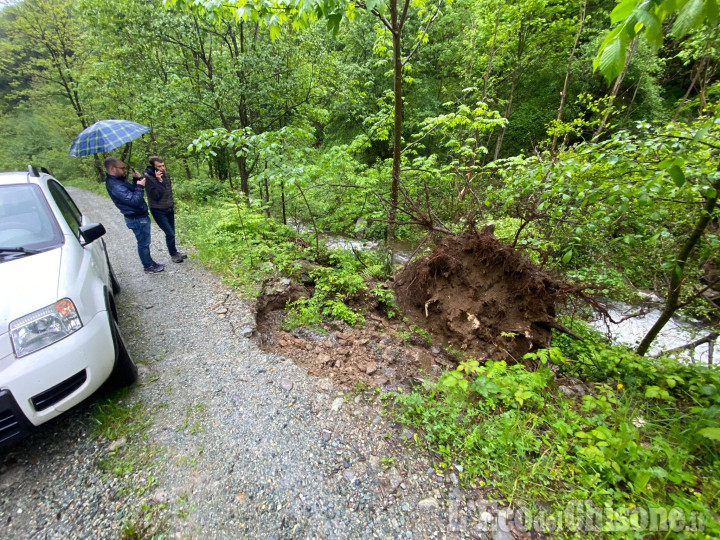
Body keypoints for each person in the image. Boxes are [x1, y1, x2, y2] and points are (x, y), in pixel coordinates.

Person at [104, 156, 165, 274]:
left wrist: (135, 180)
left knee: (145, 242)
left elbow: (131, 192)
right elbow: (134, 201)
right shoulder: (115, 185)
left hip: (138, 216)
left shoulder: (118, 181)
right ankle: (148, 266)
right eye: (122, 168)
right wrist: (140, 186)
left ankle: (150, 262)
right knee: (143, 243)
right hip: (136, 218)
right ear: (112, 169)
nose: (125, 170)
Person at [143, 156, 187, 263]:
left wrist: (172, 204)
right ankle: (173, 255)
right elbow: (156, 196)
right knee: (169, 233)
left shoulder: (166, 175)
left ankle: (175, 252)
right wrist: (159, 181)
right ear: (153, 167)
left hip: (169, 208)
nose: (162, 168)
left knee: (172, 232)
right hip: (158, 210)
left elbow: (169, 191)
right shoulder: (148, 178)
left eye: (163, 165)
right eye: (159, 166)